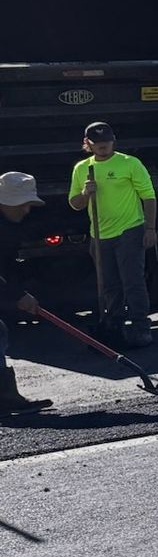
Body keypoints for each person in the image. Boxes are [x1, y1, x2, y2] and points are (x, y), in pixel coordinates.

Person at [67, 121, 156, 348]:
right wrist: (86, 192)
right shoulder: (82, 169)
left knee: (132, 281)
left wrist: (150, 228)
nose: (103, 146)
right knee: (109, 284)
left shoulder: (130, 164)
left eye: (106, 141)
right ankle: (114, 325)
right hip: (99, 234)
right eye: (97, 143)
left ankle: (141, 327)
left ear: (113, 140)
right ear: (88, 144)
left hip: (129, 230)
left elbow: (148, 196)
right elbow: (75, 204)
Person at [0, 171, 53, 414]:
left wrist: (20, 293)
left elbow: (6, 266)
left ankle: (5, 397)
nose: (26, 211)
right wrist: (17, 295)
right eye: (22, 204)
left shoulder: (8, 226)